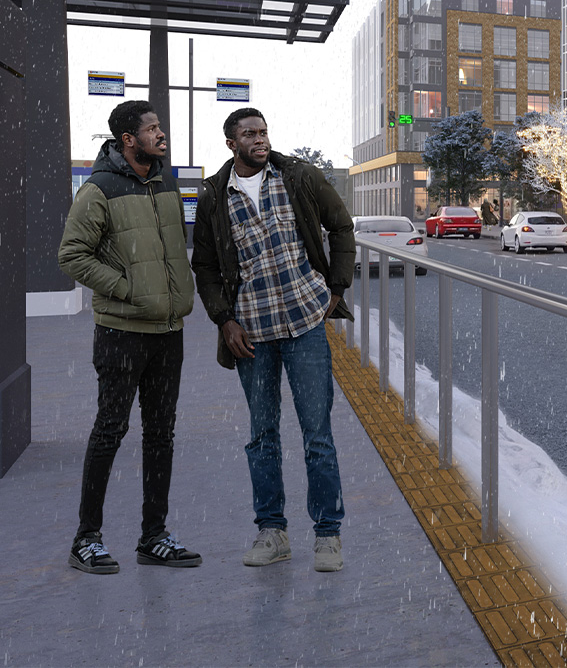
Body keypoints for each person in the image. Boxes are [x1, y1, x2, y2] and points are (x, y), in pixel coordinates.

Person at [192, 108, 356, 573]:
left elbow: (342, 226)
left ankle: (328, 534)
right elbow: (205, 266)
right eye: (249, 134)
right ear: (232, 144)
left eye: (263, 131)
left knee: (317, 435)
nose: (260, 139)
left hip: (305, 323)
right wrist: (224, 320)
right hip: (252, 334)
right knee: (262, 436)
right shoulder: (214, 196)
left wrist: (337, 288)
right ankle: (272, 531)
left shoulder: (298, 177)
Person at [57, 100, 203, 574]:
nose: (161, 134)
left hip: (169, 332)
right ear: (128, 140)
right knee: (110, 430)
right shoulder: (99, 189)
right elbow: (72, 255)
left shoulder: (166, 182)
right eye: (152, 128)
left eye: (160, 127)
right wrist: (128, 290)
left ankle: (153, 536)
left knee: (161, 434)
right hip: (121, 332)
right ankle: (86, 538)